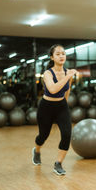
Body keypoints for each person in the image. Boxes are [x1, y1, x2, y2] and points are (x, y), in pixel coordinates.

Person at [31, 44, 77, 175]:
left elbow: (67, 89)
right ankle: (37, 150)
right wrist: (68, 76)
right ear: (52, 57)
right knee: (43, 135)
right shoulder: (47, 73)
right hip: (46, 107)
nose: (61, 56)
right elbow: (52, 89)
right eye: (58, 54)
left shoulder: (67, 73)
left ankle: (58, 163)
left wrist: (65, 105)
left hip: (61, 106)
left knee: (67, 134)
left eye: (63, 53)